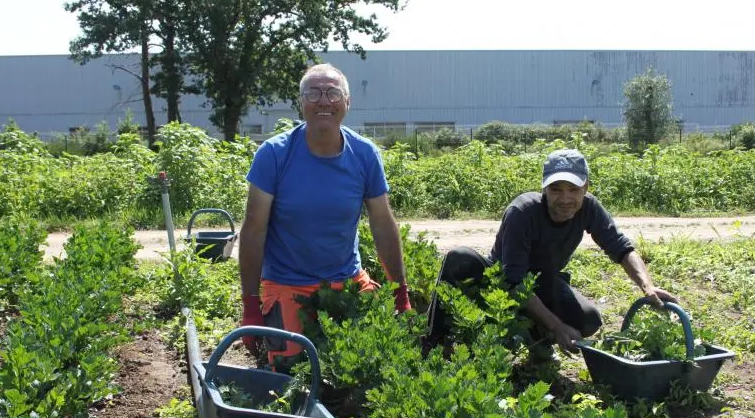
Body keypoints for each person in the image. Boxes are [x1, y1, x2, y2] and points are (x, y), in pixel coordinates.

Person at [239, 63, 411, 371]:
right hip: (287, 282)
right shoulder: (274, 154)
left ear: (347, 102)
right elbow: (254, 231)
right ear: (301, 103)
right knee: (292, 372)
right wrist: (250, 304)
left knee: (370, 365)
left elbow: (383, 223)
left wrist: (400, 291)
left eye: (333, 93)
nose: (323, 101)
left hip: (346, 279)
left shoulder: (365, 154)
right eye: (313, 93)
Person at [425, 148, 677, 356]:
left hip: (542, 282)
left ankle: (534, 336)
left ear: (586, 187)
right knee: (459, 258)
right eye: (556, 189)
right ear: (544, 188)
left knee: (588, 319)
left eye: (573, 189)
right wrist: (557, 326)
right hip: (498, 284)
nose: (565, 198)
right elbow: (514, 281)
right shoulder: (522, 212)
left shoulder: (589, 209)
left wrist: (647, 287)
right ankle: (432, 341)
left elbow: (620, 247)